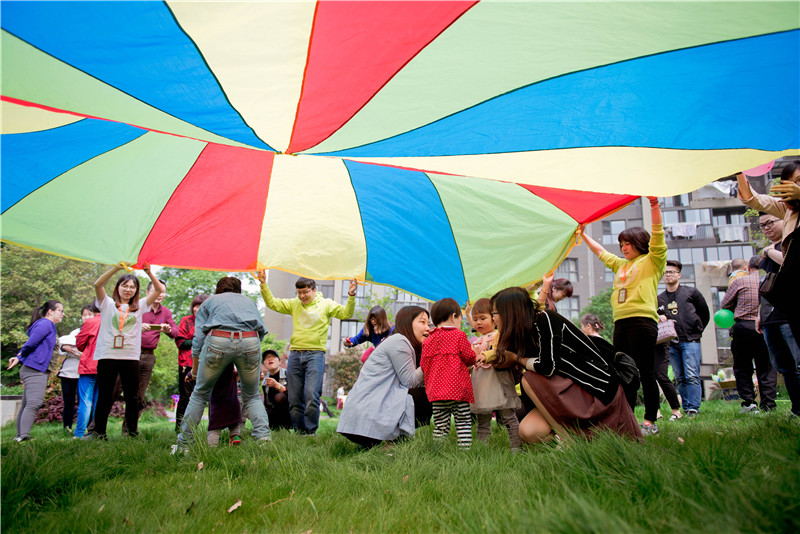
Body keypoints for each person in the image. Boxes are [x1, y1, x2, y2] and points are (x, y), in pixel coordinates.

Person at [488, 287, 642, 444]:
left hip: (593, 388)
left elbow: (547, 366)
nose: (493, 318)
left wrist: (516, 358)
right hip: (565, 392)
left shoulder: (544, 319)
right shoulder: (519, 336)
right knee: (529, 432)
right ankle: (579, 441)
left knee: (528, 379)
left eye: (495, 313)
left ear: (509, 313)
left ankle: (566, 439)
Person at [582, 196, 667, 436]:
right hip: (621, 323)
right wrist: (583, 233)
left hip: (643, 322)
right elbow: (601, 252)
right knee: (622, 371)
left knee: (645, 371)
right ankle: (625, 419)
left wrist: (653, 206)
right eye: (621, 244)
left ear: (640, 243)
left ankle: (650, 421)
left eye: (628, 243)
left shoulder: (653, 261)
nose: (624, 248)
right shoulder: (621, 265)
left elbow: (658, 236)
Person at [174, 276, 271, 452]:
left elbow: (198, 341)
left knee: (199, 394)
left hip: (218, 341)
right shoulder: (248, 301)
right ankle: (264, 440)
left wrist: (195, 371)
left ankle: (183, 446)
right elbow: (261, 331)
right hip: (250, 341)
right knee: (252, 396)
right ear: (238, 290)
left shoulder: (210, 302)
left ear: (218, 289)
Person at [257, 272, 357, 435]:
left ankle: (310, 432)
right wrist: (263, 285)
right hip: (296, 354)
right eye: (299, 293)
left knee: (311, 395)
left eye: (305, 292)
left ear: (314, 290)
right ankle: (299, 432)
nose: (302, 296)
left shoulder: (326, 304)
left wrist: (351, 294)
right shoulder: (294, 304)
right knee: (294, 398)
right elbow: (273, 304)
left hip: (315, 355)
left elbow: (346, 313)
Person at [82, 264, 164, 440]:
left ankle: (132, 433)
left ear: (136, 290)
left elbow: (158, 289)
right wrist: (115, 270)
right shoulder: (108, 304)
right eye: (124, 285)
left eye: (132, 287)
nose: (128, 289)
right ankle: (99, 433)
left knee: (132, 397)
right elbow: (98, 285)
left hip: (130, 357)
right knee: (105, 395)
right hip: (107, 355)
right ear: (118, 287)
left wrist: (148, 272)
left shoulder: (140, 306)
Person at [337, 306, 429, 448]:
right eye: (423, 322)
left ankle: (387, 441)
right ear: (407, 323)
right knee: (427, 396)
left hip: (361, 418)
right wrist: (430, 357)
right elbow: (411, 382)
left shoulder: (397, 341)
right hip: (367, 417)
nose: (428, 328)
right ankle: (390, 441)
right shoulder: (399, 341)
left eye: (428, 324)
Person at [737, 164, 800, 341]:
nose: (795, 187)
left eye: (799, 182)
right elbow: (753, 199)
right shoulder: (788, 211)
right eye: (791, 183)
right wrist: (739, 172)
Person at [755, 213, 800, 417]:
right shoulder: (769, 252)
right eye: (762, 225)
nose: (766, 228)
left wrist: (769, 251)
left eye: (770, 222)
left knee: (798, 363)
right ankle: (796, 408)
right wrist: (759, 314)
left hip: (789, 315)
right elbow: (767, 284)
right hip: (770, 318)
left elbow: (789, 263)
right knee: (784, 367)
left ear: (785, 221)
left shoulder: (790, 244)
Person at [721, 256, 777, 414]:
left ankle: (749, 403)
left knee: (742, 366)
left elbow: (724, 303)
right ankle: (768, 405)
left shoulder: (740, 281)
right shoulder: (770, 281)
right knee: (766, 367)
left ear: (747, 267)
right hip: (766, 326)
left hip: (744, 327)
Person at [420, 298, 476, 449]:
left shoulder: (428, 340)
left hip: (437, 392)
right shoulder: (458, 336)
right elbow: (469, 358)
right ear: (453, 316)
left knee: (440, 425)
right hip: (458, 390)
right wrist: (475, 355)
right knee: (463, 422)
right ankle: (464, 451)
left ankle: (437, 451)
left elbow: (424, 366)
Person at [657, 260, 710, 418]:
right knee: (679, 377)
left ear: (679, 274)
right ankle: (685, 407)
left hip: (690, 340)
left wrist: (697, 329)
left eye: (671, 272)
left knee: (692, 374)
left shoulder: (691, 292)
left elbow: (704, 313)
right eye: (665, 273)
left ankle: (693, 408)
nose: (668, 275)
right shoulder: (660, 298)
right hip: (671, 343)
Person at [467, 298, 521, 451]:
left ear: (494, 318)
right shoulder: (475, 341)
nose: (478, 323)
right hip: (481, 386)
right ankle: (481, 448)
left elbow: (499, 352)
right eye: (475, 319)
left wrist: (485, 355)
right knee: (482, 418)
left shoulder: (498, 336)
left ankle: (517, 446)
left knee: (508, 416)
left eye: (483, 318)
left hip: (498, 383)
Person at [8, 300, 64, 442]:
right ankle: (24, 436)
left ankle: (20, 436)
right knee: (34, 403)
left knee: (28, 403)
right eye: (60, 311)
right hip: (35, 369)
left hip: (35, 369)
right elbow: (31, 343)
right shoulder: (46, 324)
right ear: (50, 311)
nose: (63, 314)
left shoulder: (47, 325)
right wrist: (19, 357)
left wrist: (19, 357)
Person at [136, 280, 178, 419]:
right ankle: (96, 428)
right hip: (131, 353)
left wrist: (168, 329)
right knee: (115, 390)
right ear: (147, 292)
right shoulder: (138, 307)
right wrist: (138, 327)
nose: (160, 294)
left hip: (148, 356)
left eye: (163, 292)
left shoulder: (165, 312)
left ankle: (130, 430)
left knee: (139, 395)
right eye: (156, 291)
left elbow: (175, 332)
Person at [55, 305, 96, 433]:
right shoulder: (75, 332)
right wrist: (67, 349)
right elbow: (61, 347)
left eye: (90, 314)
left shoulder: (97, 331)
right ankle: (67, 427)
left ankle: (87, 428)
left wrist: (78, 352)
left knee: (84, 402)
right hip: (68, 371)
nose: (87, 317)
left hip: (85, 372)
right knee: (68, 401)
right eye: (84, 315)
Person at [174, 294, 209, 432]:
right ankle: (179, 428)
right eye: (195, 305)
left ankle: (200, 428)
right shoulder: (186, 321)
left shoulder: (211, 322)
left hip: (206, 364)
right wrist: (199, 340)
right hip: (186, 364)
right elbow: (181, 342)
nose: (197, 309)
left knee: (204, 397)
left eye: (201, 306)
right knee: (185, 398)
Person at [74, 304, 102, 439]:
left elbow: (79, 344)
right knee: (98, 402)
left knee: (85, 401)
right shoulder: (113, 322)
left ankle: (79, 434)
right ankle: (95, 432)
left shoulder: (91, 322)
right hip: (105, 366)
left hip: (89, 365)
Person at [262, 349, 291, 430]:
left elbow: (296, 396)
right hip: (274, 412)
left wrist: (278, 386)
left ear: (279, 361)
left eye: (273, 357)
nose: (270, 359)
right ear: (264, 363)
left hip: (291, 411)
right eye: (267, 358)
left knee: (279, 397)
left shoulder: (288, 374)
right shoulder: (265, 381)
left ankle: (286, 427)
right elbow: (267, 404)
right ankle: (274, 428)